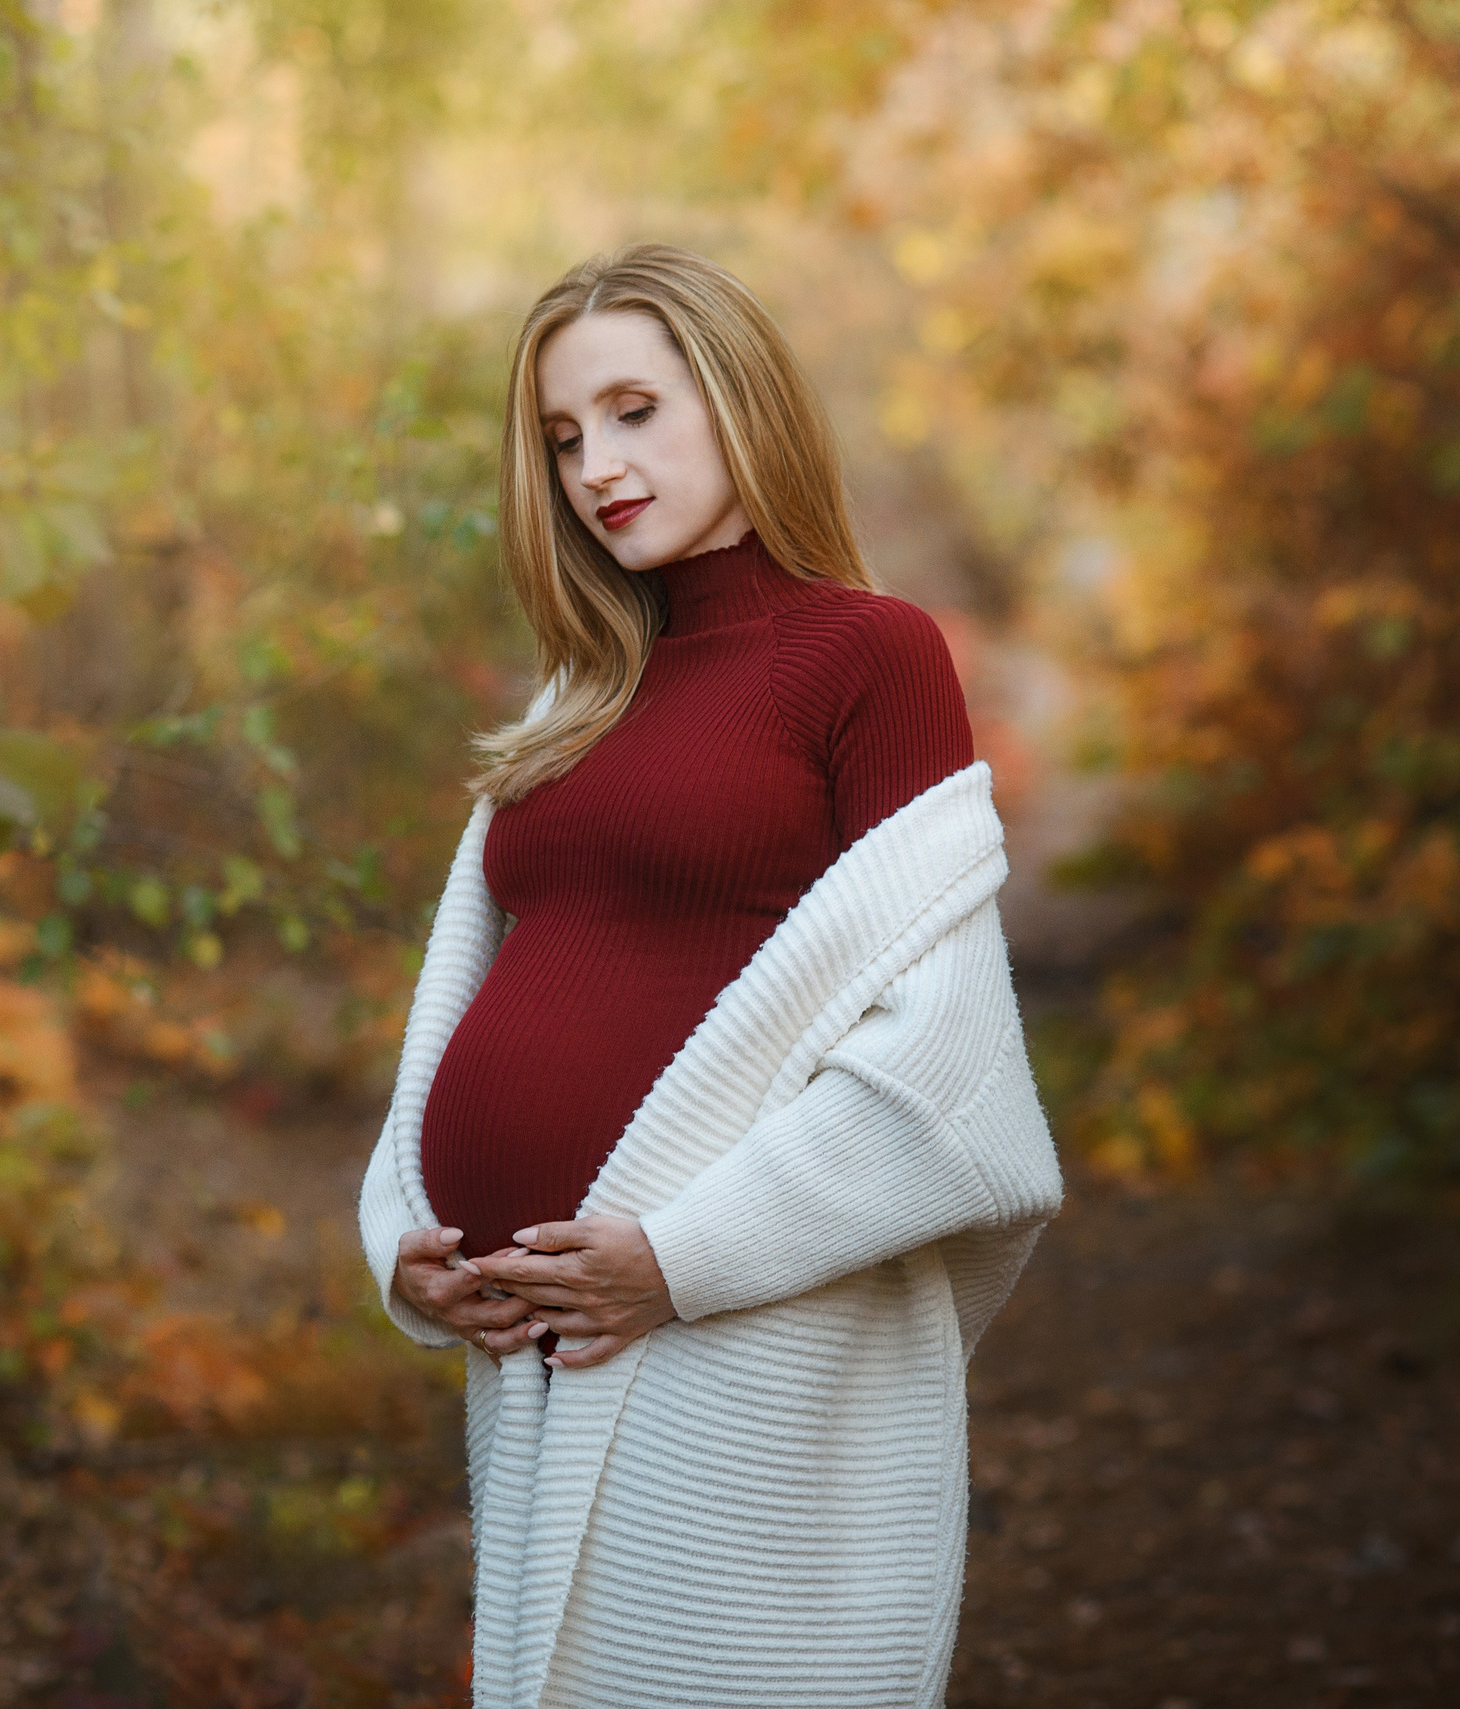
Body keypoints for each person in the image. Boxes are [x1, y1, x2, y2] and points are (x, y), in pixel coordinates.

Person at [356, 244, 1064, 1708]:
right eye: (561, 438)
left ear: (740, 399)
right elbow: (472, 989)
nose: (595, 467)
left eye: (632, 411)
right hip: (538, 1357)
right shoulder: (579, 696)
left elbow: (944, 1058)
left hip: (733, 1334)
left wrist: (680, 1258)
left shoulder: (870, 656)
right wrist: (412, 1245)